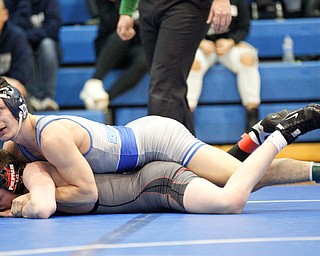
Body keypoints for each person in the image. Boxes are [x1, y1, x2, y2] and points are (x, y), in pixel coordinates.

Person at [1, 76, 320, 210]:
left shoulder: (51, 137)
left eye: (0, 111)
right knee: (233, 173)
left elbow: (87, 194)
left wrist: (32, 198)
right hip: (138, 145)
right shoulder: (17, 146)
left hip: (158, 141)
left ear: (18, 105)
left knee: (244, 178)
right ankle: (257, 135)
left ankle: (288, 131)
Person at [1, 140, 320, 218]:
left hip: (159, 182)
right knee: (240, 176)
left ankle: (279, 135)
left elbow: (41, 208)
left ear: (7, 177)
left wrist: (16, 207)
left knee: (231, 199)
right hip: (154, 179)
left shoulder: (33, 173)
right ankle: (312, 169)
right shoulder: (36, 168)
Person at [116, 0, 232, 135]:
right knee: (170, 87)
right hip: (148, 7)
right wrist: (126, 10)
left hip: (186, 6)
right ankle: (190, 153)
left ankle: (159, 152)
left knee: (164, 87)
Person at [187, 0, 261, 132]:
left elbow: (244, 28)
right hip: (203, 46)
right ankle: (187, 115)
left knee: (248, 59)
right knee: (193, 63)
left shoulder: (238, 2)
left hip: (228, 45)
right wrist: (200, 42)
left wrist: (231, 41)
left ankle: (252, 114)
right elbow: (187, 24)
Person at [80, 0, 147, 112]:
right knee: (122, 34)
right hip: (109, 45)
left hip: (135, 45)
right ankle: (94, 81)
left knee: (144, 60)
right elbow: (109, 24)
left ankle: (104, 100)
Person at [6, 0, 62, 111]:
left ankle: (48, 97)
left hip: (47, 45)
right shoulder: (13, 3)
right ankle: (31, 97)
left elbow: (53, 28)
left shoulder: (50, 2)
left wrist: (28, 36)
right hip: (25, 44)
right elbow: (13, 28)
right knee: (23, 47)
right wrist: (24, 4)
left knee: (47, 45)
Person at [0, 0, 32, 97]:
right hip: (7, 85)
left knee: (20, 93)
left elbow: (19, 83)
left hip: (9, 95)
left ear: (5, 14)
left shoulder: (17, 37)